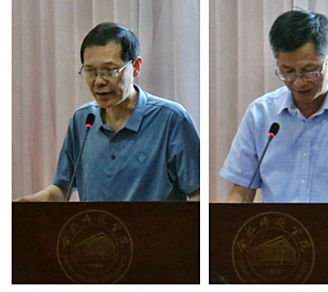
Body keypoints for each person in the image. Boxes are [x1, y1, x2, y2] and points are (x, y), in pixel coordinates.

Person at [220, 9, 328, 203]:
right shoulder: (260, 114)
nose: (299, 82)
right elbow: (241, 191)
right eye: (288, 71)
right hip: (279, 223)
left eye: (310, 70)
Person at [17, 22, 200, 201]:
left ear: (136, 67)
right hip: (95, 223)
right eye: (90, 71)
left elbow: (198, 193)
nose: (99, 82)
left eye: (110, 71)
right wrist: (26, 206)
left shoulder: (171, 119)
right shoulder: (83, 120)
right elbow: (61, 190)